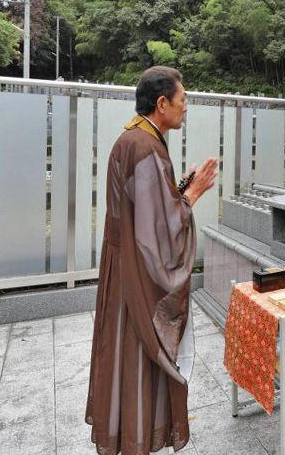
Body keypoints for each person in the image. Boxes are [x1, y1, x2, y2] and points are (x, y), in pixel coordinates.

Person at [86, 66, 218, 455]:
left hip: (124, 267)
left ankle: (127, 434)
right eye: (183, 101)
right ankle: (135, 438)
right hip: (137, 279)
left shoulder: (134, 139)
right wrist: (192, 195)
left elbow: (149, 206)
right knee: (138, 358)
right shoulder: (145, 147)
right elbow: (157, 232)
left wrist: (178, 188)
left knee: (123, 360)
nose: (186, 108)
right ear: (162, 104)